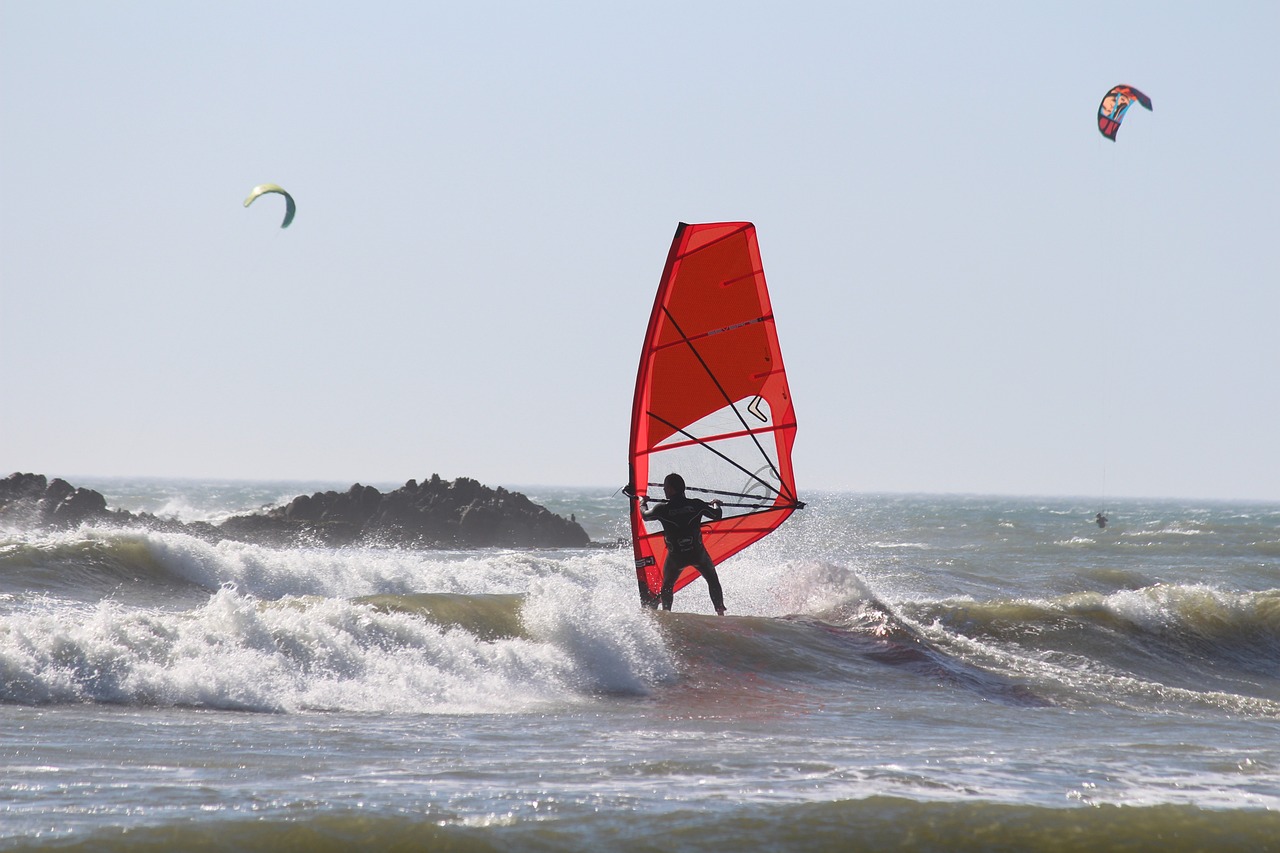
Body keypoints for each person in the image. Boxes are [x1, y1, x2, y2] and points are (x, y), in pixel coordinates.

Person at [639, 473, 726, 614]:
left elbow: (645, 516)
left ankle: (667, 614)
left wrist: (642, 502)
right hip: (698, 554)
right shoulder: (696, 504)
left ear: (672, 489)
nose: (664, 490)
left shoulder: (662, 509)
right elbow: (717, 515)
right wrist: (716, 503)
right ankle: (720, 612)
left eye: (666, 487)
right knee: (712, 580)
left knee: (667, 586)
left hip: (676, 557)